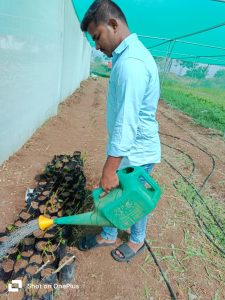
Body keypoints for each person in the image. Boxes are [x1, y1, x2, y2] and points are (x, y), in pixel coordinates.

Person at [78, 0, 161, 262]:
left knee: (134, 199)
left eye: (97, 36)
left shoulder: (131, 64)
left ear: (113, 24)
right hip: (130, 149)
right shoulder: (126, 57)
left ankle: (137, 241)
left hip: (137, 152)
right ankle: (109, 233)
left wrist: (109, 169)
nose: (97, 46)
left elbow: (127, 123)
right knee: (116, 194)